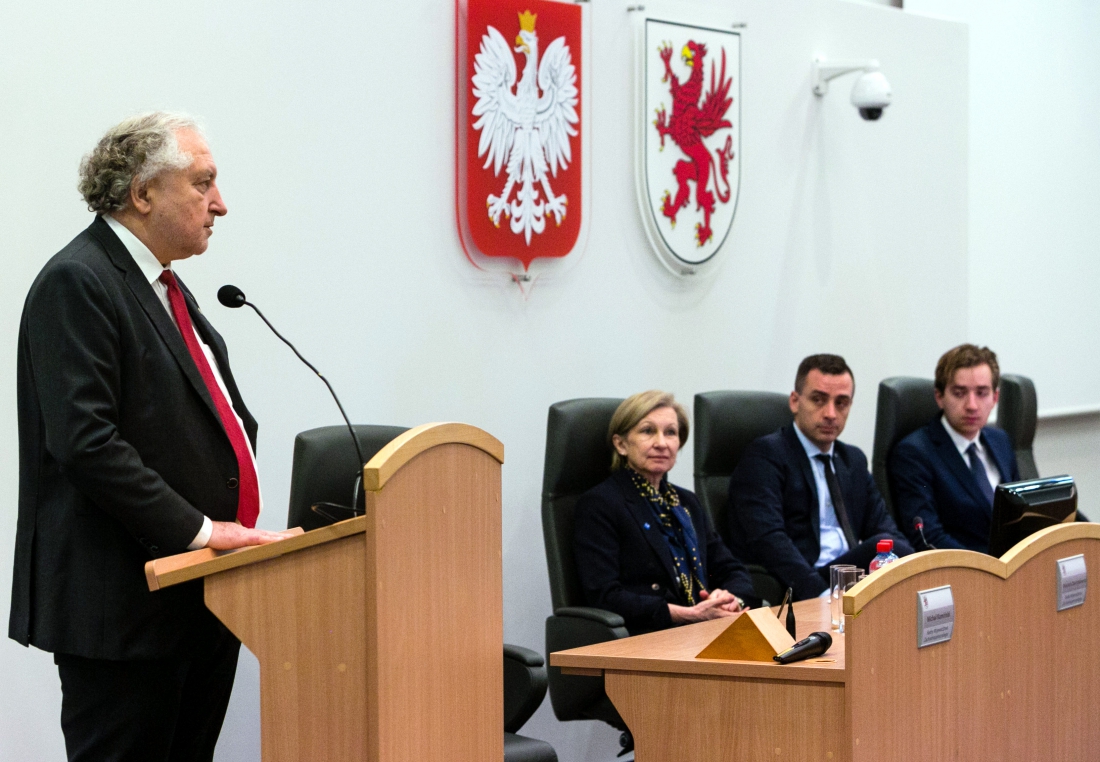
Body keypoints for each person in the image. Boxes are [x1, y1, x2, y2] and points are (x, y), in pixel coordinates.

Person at [9, 112, 289, 762]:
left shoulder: (161, 284)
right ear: (142, 193)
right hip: (125, 613)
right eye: (202, 183)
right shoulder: (79, 281)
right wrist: (203, 530)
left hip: (199, 600)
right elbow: (87, 443)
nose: (220, 204)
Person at [727, 354, 913, 601]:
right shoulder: (766, 455)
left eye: (841, 403)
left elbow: (883, 527)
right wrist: (823, 596)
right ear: (795, 401)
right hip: (803, 582)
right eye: (818, 400)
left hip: (850, 578)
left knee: (891, 546)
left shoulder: (852, 460)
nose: (830, 414)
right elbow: (768, 540)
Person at [573, 391, 759, 636]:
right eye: (648, 431)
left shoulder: (686, 502)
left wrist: (730, 598)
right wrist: (687, 614)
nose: (661, 443)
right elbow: (605, 596)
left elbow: (730, 569)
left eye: (670, 432)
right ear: (621, 444)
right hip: (647, 636)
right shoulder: (600, 504)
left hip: (703, 630)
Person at [889, 344, 1020, 553]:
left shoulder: (1000, 441)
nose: (972, 405)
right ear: (939, 397)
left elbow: (1019, 514)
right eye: (959, 393)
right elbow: (928, 537)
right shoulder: (914, 453)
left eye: (981, 393)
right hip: (961, 567)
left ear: (995, 398)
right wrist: (987, 566)